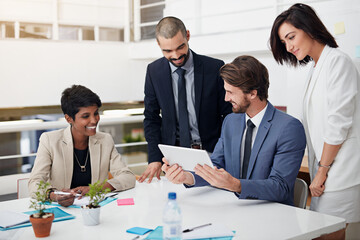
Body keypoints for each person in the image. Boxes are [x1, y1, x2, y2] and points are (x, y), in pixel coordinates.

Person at [162, 55, 306, 206]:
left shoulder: (289, 128)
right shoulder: (231, 121)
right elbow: (216, 165)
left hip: (272, 213)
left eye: (230, 92)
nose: (225, 98)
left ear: (252, 93)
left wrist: (236, 185)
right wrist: (186, 177)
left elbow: (280, 187)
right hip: (234, 209)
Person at [270, 3, 360, 239]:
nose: (289, 47)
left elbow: (338, 124)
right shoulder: (316, 67)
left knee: (329, 234)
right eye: (284, 42)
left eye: (291, 37)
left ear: (309, 28)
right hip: (327, 171)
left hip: (339, 173)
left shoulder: (338, 62)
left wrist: (321, 171)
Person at [140, 16, 232, 183]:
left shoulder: (214, 68)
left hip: (212, 155)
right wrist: (154, 157)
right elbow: (151, 118)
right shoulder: (154, 71)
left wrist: (223, 151)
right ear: (158, 44)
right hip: (173, 160)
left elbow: (229, 116)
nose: (176, 56)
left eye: (180, 47)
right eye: (167, 51)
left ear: (187, 36)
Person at [29, 85, 136, 207]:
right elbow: (34, 183)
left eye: (95, 113)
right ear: (69, 119)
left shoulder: (105, 140)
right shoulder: (49, 140)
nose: (94, 120)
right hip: (64, 211)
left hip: (96, 210)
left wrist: (96, 189)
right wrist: (53, 196)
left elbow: (128, 177)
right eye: (86, 116)